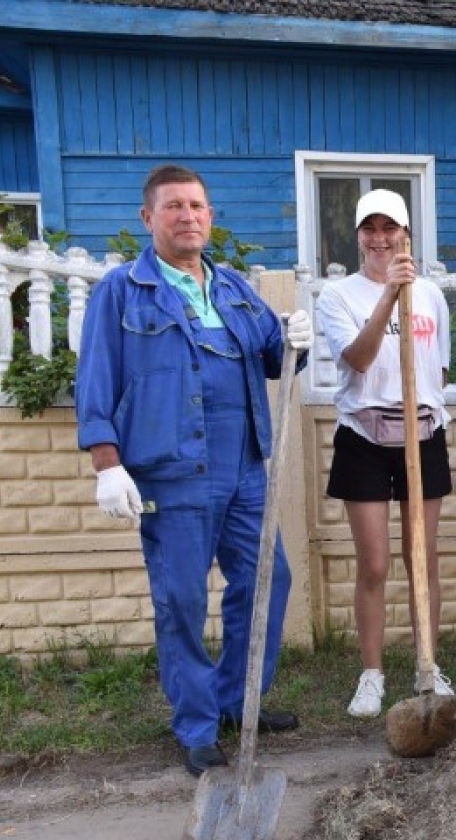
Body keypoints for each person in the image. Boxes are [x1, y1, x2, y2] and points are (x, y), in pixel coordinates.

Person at [75, 164, 312, 777]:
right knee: (181, 599)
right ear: (148, 218)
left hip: (244, 466)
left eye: (197, 206)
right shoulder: (122, 291)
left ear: (210, 216)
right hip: (171, 468)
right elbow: (95, 377)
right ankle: (197, 724)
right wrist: (106, 462)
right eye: (174, 206)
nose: (188, 217)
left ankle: (238, 699)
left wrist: (297, 339)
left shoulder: (232, 287)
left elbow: (275, 355)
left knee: (267, 582)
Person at [315, 189, 456, 718]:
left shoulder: (432, 296)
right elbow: (357, 358)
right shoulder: (337, 296)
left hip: (422, 432)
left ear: (405, 234)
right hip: (363, 434)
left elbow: (438, 369)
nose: (380, 239)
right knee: (374, 562)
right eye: (370, 229)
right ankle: (372, 674)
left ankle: (427, 665)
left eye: (389, 228)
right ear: (358, 236)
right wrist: (389, 296)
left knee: (422, 556)